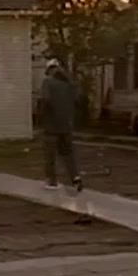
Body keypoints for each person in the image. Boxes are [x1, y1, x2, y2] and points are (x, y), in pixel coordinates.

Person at [38, 58, 82, 192]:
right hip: (66, 126)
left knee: (49, 156)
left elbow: (45, 101)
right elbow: (77, 103)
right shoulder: (70, 85)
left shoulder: (47, 82)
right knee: (68, 155)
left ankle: (51, 182)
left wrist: (40, 117)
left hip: (51, 126)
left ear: (50, 70)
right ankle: (76, 179)